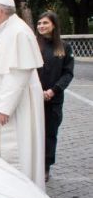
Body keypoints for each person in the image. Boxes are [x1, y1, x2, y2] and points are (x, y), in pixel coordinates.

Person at [0, 0, 45, 189]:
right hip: (4, 104)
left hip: (16, 107)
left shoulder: (18, 32)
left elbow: (18, 73)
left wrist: (5, 108)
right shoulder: (6, 30)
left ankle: (18, 189)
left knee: (15, 148)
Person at [36, 11, 74, 181]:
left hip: (53, 100)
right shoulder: (34, 45)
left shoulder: (64, 48)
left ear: (54, 25)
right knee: (33, 134)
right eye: (39, 23)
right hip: (34, 98)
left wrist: (53, 90)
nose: (41, 26)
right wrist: (37, 90)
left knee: (49, 134)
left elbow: (67, 74)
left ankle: (45, 167)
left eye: (45, 23)